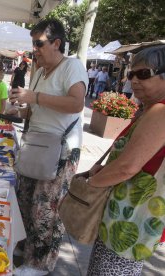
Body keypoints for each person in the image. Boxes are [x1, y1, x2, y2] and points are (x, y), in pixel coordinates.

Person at [9, 18, 88, 275]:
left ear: (56, 43)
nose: (35, 49)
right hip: (36, 144)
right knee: (24, 199)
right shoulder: (40, 71)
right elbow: (34, 110)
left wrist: (35, 97)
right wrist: (18, 109)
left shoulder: (72, 66)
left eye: (39, 43)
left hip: (60, 149)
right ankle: (27, 246)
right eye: (33, 43)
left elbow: (76, 103)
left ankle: (40, 264)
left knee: (45, 209)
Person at [86, 45, 165, 275]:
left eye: (144, 74)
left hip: (131, 217)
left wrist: (91, 185)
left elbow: (127, 167)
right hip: (123, 215)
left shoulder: (160, 112)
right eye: (131, 74)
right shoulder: (150, 109)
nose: (135, 80)